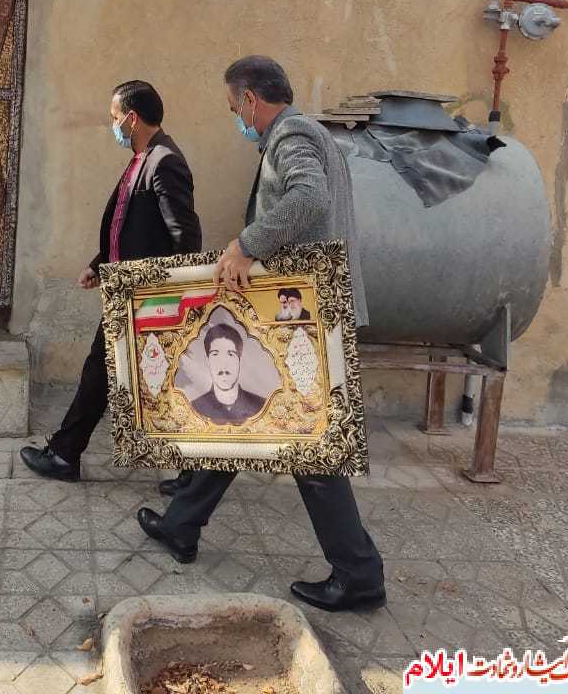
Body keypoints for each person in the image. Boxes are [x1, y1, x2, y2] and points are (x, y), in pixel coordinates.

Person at [137, 55, 385, 613]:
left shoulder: (292, 134)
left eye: (234, 108)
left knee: (309, 449)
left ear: (250, 100)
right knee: (242, 416)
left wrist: (246, 245)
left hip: (303, 318)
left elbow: (309, 198)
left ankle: (359, 574)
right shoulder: (309, 134)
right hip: (300, 313)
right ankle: (181, 525)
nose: (237, 119)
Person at [20, 80, 200, 496]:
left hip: (148, 297)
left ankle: (67, 454)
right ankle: (67, 453)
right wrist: (99, 265)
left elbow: (184, 235)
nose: (112, 123)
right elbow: (128, 226)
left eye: (115, 117)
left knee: (164, 382)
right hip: (127, 292)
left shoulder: (165, 162)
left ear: (132, 118)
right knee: (107, 374)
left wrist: (170, 297)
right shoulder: (143, 159)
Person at [188, 323, 267, 425]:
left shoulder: (262, 406)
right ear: (207, 361)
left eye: (230, 354)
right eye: (215, 354)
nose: (223, 365)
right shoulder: (193, 409)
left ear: (240, 360)